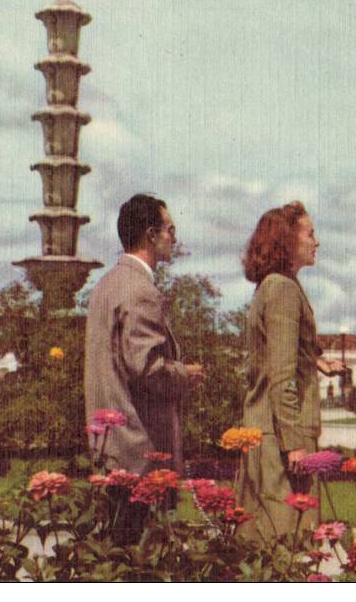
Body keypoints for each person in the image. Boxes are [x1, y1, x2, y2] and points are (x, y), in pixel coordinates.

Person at [83, 194, 206, 542]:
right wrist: (185, 374)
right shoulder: (141, 290)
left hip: (110, 448)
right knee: (140, 558)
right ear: (151, 235)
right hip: (139, 454)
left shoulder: (106, 285)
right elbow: (146, 368)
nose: (174, 238)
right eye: (170, 229)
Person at [236, 201, 346, 544]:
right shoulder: (282, 289)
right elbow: (281, 375)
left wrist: (317, 361)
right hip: (278, 439)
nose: (317, 241)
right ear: (287, 240)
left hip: (269, 433)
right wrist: (294, 445)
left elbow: (282, 349)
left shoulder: (276, 285)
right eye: (310, 234)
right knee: (282, 547)